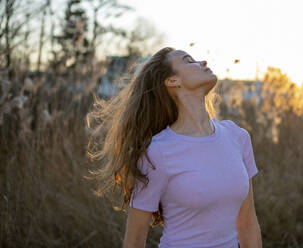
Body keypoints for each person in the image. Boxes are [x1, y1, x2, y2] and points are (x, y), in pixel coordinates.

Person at [86, 47, 262, 248]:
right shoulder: (157, 152)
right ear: (172, 81)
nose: (202, 62)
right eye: (189, 61)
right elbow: (134, 240)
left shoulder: (237, 137)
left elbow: (248, 224)